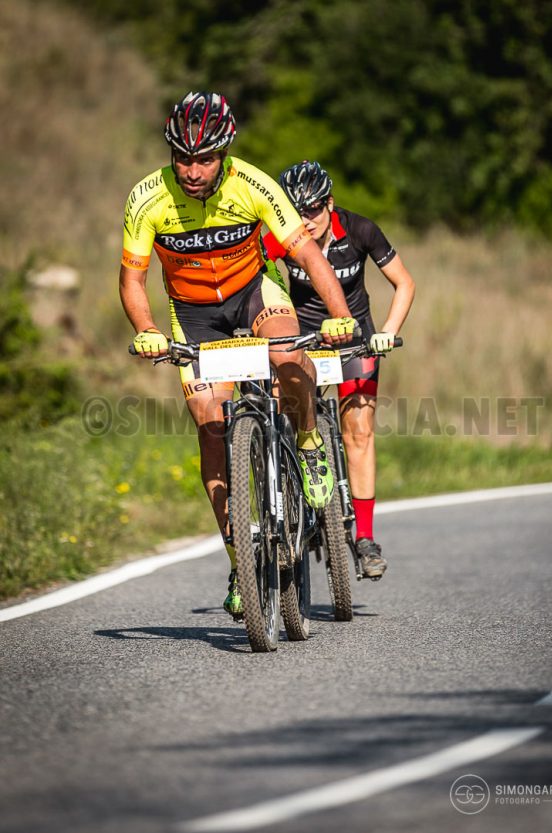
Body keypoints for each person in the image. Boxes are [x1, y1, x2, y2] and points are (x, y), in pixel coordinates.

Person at [119, 93, 357, 617]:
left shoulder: (252, 184)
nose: (192, 170)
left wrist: (340, 316)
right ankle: (239, 560)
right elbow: (133, 279)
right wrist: (147, 329)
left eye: (204, 159)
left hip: (253, 294)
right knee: (210, 424)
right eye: (183, 158)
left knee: (288, 357)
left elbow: (307, 253)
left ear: (224, 153)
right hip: (192, 313)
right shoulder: (146, 198)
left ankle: (309, 441)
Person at [263, 161, 415, 578]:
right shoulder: (282, 236)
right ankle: (288, 501)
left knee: (359, 432)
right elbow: (256, 279)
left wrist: (387, 332)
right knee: (280, 411)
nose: (305, 219)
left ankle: (364, 539)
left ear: (329, 203)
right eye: (296, 211)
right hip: (303, 338)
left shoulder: (361, 229)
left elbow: (404, 283)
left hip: (354, 337)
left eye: (313, 209)